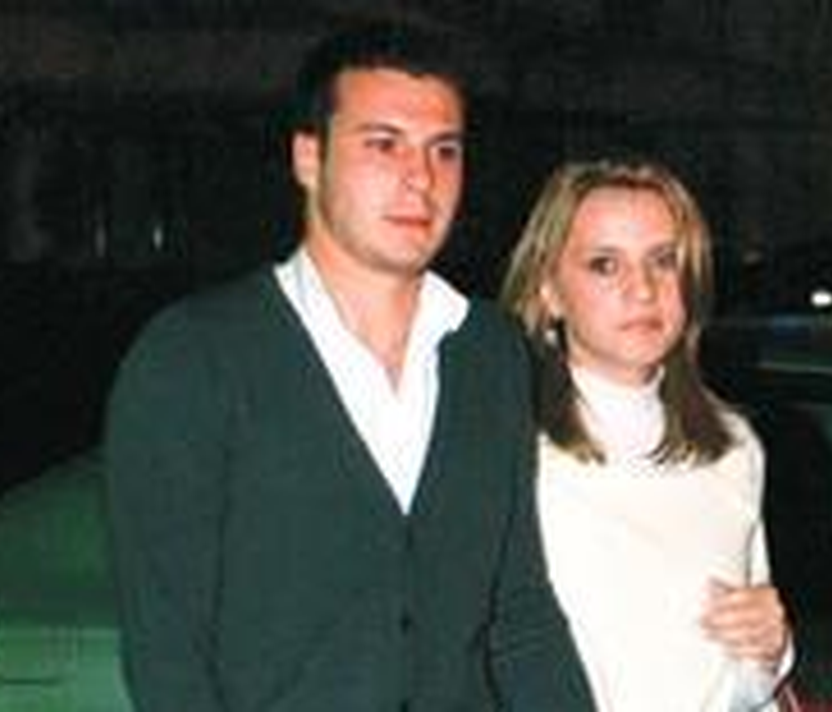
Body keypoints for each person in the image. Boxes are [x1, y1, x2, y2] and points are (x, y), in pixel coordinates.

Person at [104, 20, 595, 712]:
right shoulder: (196, 357)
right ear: (309, 158)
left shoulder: (490, 353)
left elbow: (517, 613)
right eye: (383, 144)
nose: (420, 179)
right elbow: (169, 653)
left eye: (444, 150)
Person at [500, 157, 793, 711]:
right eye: (605, 265)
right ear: (549, 291)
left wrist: (771, 647)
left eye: (664, 261)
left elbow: (741, 685)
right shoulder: (509, 448)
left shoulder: (732, 446)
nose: (643, 290)